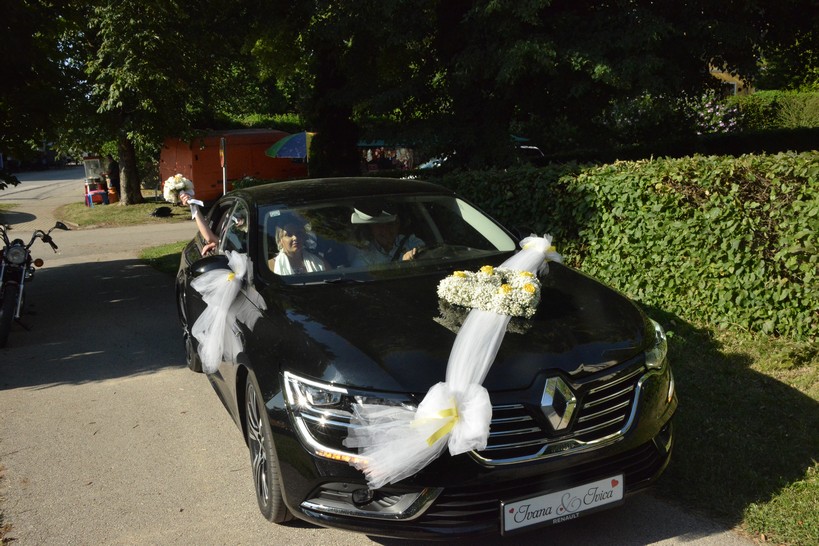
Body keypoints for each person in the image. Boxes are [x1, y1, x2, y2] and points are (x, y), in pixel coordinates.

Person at [350, 204, 424, 266]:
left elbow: (425, 253)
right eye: (379, 226)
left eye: (390, 224)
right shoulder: (364, 255)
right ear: (371, 229)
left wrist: (414, 255)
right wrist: (403, 265)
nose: (385, 231)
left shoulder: (410, 241)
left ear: (398, 225)